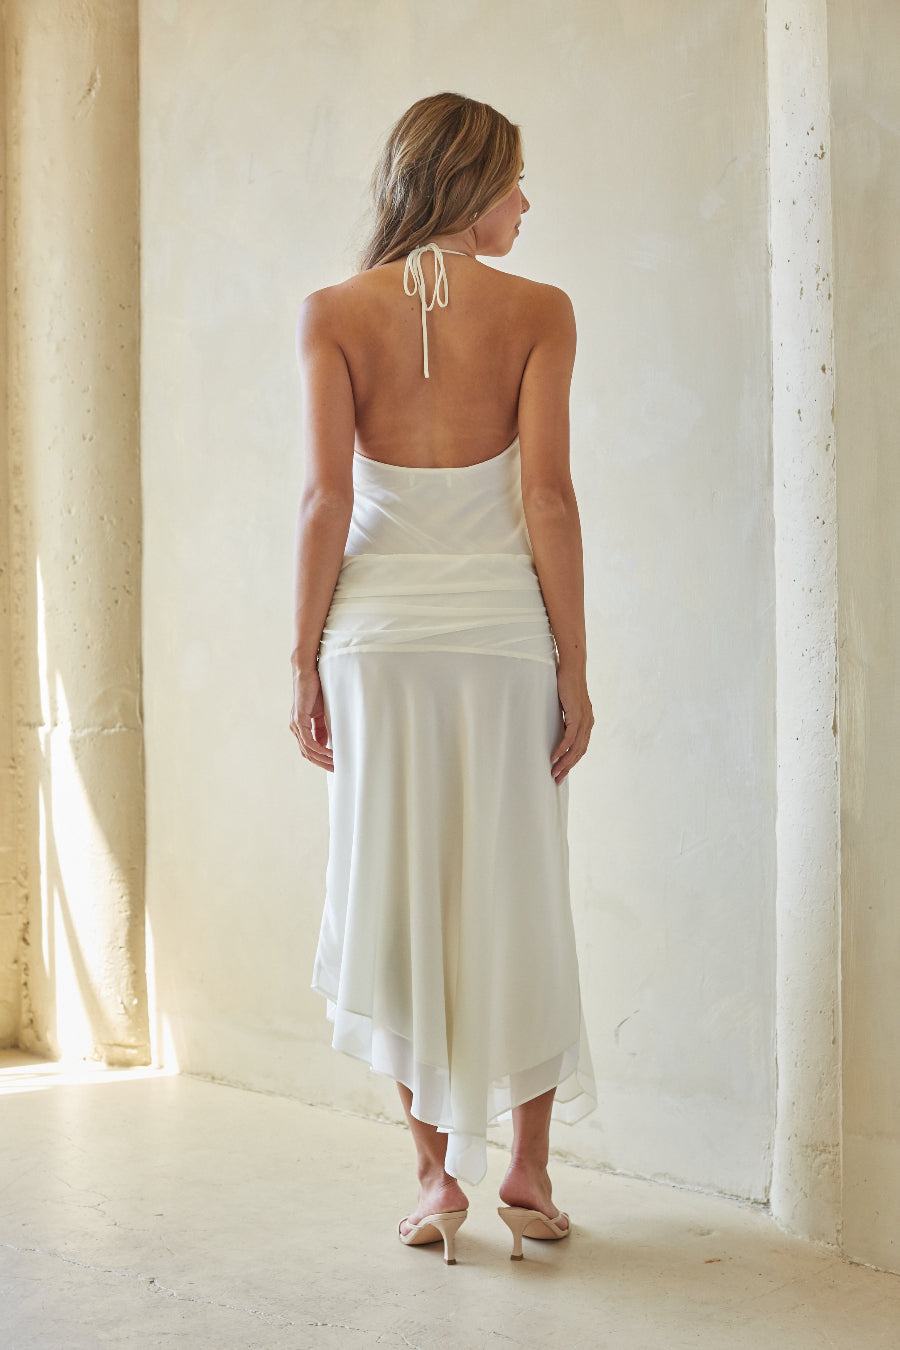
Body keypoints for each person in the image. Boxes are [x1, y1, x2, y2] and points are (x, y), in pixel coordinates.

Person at [290, 92, 597, 1264]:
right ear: (470, 185)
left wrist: (302, 656)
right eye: (516, 181)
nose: (527, 202)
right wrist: (576, 664)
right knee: (522, 884)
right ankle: (525, 1166)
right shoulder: (541, 312)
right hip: (503, 640)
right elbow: (549, 500)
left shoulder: (331, 312)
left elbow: (326, 502)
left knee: (393, 886)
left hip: (377, 645)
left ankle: (433, 1182)